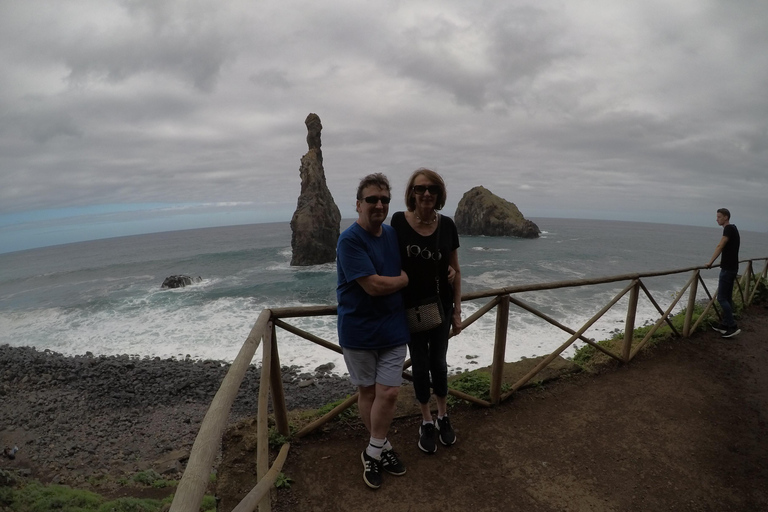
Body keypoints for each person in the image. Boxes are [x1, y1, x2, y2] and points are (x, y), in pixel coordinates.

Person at [336, 172, 410, 489]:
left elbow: (419, 255)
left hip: (393, 328)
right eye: (371, 199)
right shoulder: (349, 240)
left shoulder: (392, 234)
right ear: (358, 204)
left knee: (390, 392)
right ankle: (382, 447)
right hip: (359, 331)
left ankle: (372, 451)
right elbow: (374, 286)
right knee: (368, 392)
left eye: (384, 200)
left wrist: (446, 267)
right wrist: (405, 281)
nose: (379, 205)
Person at [391, 168, 462, 454]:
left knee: (440, 363)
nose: (427, 193)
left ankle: (444, 415)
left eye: (432, 188)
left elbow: (456, 270)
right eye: (420, 189)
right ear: (412, 194)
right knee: (420, 365)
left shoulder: (447, 225)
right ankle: (426, 420)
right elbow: (385, 257)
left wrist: (457, 311)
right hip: (410, 308)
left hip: (441, 307)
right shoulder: (397, 221)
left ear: (439, 194)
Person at [706, 208, 741, 338]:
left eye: (719, 216)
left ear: (726, 217)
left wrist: (710, 262)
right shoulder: (734, 229)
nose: (717, 219)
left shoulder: (728, 229)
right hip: (733, 268)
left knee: (721, 298)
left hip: (727, 269)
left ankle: (732, 325)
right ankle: (725, 324)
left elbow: (720, 245)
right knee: (727, 298)